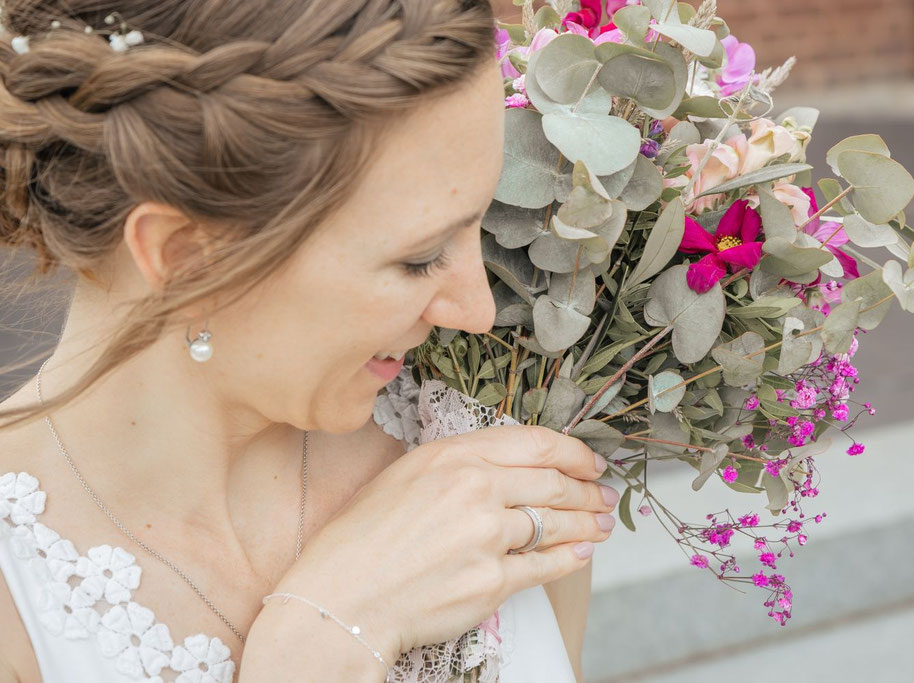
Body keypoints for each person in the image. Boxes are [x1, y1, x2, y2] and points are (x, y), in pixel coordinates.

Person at [0, 0, 620, 681]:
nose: (477, 311)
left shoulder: (491, 461)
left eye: (481, 220)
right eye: (419, 257)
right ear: (187, 257)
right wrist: (322, 644)